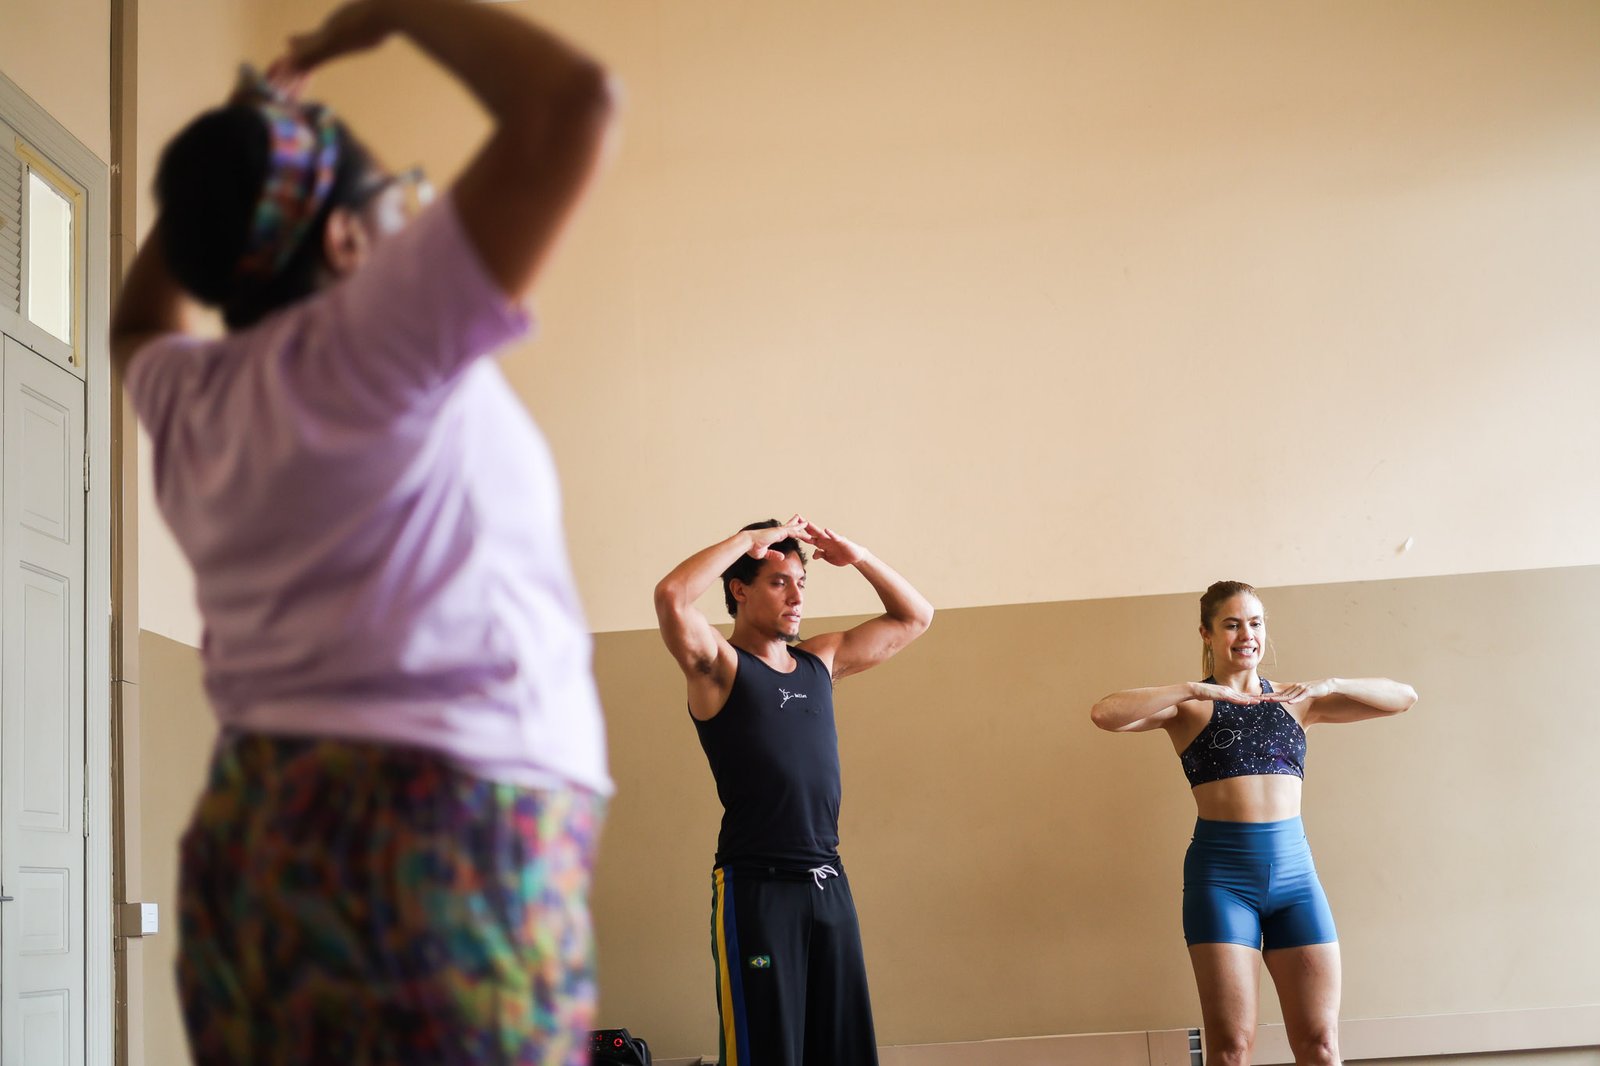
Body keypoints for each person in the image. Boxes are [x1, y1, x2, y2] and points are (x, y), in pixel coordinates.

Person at [108, 1, 618, 1061]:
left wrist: (229, 170)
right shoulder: (373, 339)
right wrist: (390, 11)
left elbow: (137, 317)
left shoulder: (189, 395)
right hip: (435, 845)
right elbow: (574, 101)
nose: (421, 215)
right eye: (399, 199)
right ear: (344, 238)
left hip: (253, 853)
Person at [1090, 580, 1417, 1066]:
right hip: (1223, 883)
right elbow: (1105, 714)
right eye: (1232, 624)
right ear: (1206, 633)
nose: (1247, 635)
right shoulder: (1190, 708)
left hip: (1296, 880)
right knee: (1230, 1050)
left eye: (1256, 623)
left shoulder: (1297, 700)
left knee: (1322, 1046)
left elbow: (1404, 696)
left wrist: (1330, 684)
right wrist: (1192, 687)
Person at [653, 516, 934, 1066]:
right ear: (739, 589)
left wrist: (859, 557)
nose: (796, 596)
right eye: (779, 581)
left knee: (843, 1048)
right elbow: (672, 596)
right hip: (757, 890)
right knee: (768, 1050)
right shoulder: (719, 666)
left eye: (801, 582)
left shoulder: (820, 662)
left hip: (828, 883)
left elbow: (915, 616)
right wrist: (746, 541)